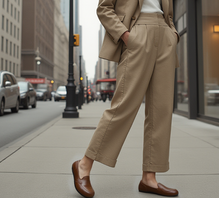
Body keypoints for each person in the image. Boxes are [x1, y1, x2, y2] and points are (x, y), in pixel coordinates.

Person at [72, 0, 180, 197]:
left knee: (161, 110)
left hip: (164, 35)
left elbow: (169, 11)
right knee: (123, 106)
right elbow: (104, 8)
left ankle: (149, 178)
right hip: (137, 32)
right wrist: (125, 35)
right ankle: (83, 165)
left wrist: (172, 33)